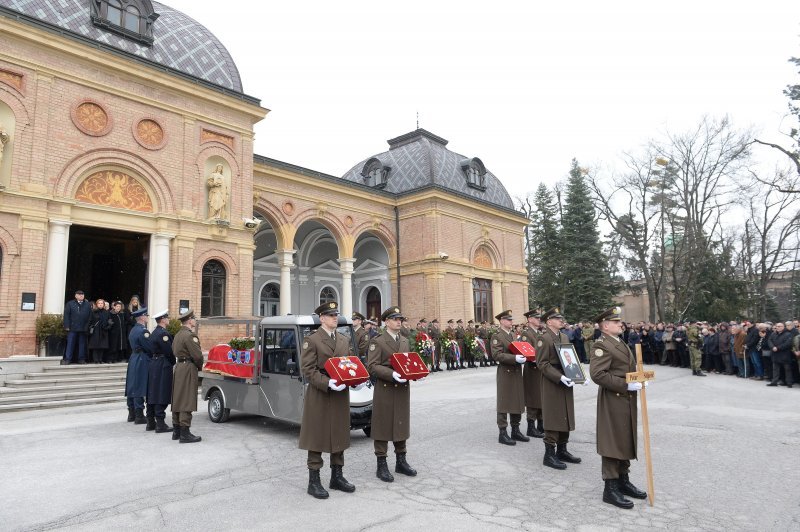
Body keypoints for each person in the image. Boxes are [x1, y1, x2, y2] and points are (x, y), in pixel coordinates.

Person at [589, 306, 648, 509]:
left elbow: (626, 368)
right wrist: (625, 384)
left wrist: (638, 379)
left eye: (618, 321)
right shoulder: (602, 345)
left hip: (626, 399)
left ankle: (623, 480)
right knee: (613, 441)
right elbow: (598, 374)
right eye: (615, 322)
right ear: (605, 326)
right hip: (613, 398)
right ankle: (610, 487)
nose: (619, 324)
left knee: (624, 437)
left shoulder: (618, 341)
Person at [298, 302, 355, 499]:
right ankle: (314, 481)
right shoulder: (312, 339)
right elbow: (308, 369)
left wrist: (353, 378)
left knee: (339, 432)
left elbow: (348, 363)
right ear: (321, 318)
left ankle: (337, 476)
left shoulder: (343, 339)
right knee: (317, 435)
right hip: (321, 392)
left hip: (340, 392)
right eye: (330, 315)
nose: (335, 318)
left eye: (336, 315)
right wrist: (328, 383)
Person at [368, 306, 418, 482]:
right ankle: (381, 464)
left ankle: (401, 460)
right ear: (386, 322)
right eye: (395, 319)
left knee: (400, 422)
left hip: (402, 388)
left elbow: (408, 361)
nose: (399, 322)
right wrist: (391, 374)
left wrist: (414, 372)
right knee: (383, 424)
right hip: (386, 388)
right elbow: (372, 366)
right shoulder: (378, 341)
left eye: (400, 319)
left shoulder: (404, 340)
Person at [538, 307, 581, 469]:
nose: (561, 321)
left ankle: (562, 449)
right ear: (549, 322)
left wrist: (578, 375)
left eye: (561, 319)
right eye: (558, 319)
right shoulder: (544, 338)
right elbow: (542, 363)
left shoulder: (563, 336)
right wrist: (559, 377)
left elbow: (570, 358)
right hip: (552, 381)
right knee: (553, 414)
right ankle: (549, 454)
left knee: (566, 413)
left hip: (566, 380)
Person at [491, 310, 528, 446]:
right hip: (505, 372)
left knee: (516, 399)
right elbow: (497, 355)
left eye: (511, 320)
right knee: (504, 401)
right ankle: (502, 432)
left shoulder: (512, 334)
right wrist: (515, 358)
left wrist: (524, 355)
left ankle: (515, 429)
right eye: (508, 320)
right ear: (501, 321)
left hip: (516, 370)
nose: (511, 322)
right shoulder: (497, 336)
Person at [171, 310, 204, 443]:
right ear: (190, 321)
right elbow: (198, 356)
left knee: (177, 398)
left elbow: (173, 350)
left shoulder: (178, 334)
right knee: (186, 399)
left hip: (179, 367)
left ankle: (176, 430)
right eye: (194, 319)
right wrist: (200, 367)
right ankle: (185, 433)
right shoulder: (190, 336)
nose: (195, 321)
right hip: (188, 368)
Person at [145, 310, 175, 433]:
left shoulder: (154, 332)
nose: (168, 319)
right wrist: (173, 362)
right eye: (167, 317)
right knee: (161, 392)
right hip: (162, 364)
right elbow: (169, 351)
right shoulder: (163, 334)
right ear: (162, 319)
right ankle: (160, 424)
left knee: (153, 392)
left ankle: (150, 422)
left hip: (154, 363)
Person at [520, 309, 544, 438]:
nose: (539, 319)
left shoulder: (539, 333)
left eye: (539, 317)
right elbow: (527, 352)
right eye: (536, 318)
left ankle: (541, 424)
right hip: (532, 369)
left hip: (541, 369)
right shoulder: (526, 334)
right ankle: (531, 426)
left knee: (541, 396)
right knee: (532, 397)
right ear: (530, 319)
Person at [125, 307, 151, 424]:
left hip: (134, 358)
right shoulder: (143, 331)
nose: (147, 317)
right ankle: (139, 415)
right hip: (142, 358)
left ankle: (132, 413)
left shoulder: (133, 330)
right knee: (139, 385)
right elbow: (149, 347)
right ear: (141, 317)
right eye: (146, 315)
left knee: (132, 385)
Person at [63, 290, 92, 365]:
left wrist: (87, 326)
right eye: (79, 294)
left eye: (82, 294)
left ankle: (81, 359)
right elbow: (66, 315)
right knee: (70, 344)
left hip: (83, 328)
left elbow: (90, 317)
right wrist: (67, 326)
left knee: (82, 344)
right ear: (76, 296)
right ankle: (68, 359)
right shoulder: (70, 304)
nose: (81, 296)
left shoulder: (87, 304)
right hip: (72, 328)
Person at [766, 321, 794, 388]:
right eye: (776, 326)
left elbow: (788, 344)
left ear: (783, 327)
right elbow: (769, 341)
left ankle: (789, 383)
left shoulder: (788, 334)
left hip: (784, 354)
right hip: (775, 354)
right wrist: (772, 347)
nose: (777, 328)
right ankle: (774, 382)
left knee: (787, 369)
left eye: (779, 326)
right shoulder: (773, 334)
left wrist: (778, 348)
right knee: (775, 369)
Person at [87, 298, 110, 364]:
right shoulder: (93, 312)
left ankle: (100, 359)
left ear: (103, 304)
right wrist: (90, 328)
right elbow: (90, 321)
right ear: (97, 304)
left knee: (102, 346)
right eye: (99, 303)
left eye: (101, 303)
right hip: (96, 331)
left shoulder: (106, 312)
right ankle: (96, 360)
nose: (100, 304)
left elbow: (109, 320)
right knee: (95, 346)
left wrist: (108, 326)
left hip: (104, 331)